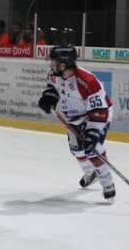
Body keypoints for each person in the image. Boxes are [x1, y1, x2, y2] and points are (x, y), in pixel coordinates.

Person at [37, 44, 116, 204]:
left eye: (53, 62)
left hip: (98, 114)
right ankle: (90, 173)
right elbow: (53, 87)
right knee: (76, 149)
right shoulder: (54, 74)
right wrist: (49, 96)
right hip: (75, 117)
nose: (50, 65)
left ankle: (107, 183)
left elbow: (99, 110)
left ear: (63, 65)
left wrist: (93, 133)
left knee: (93, 148)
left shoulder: (87, 81)